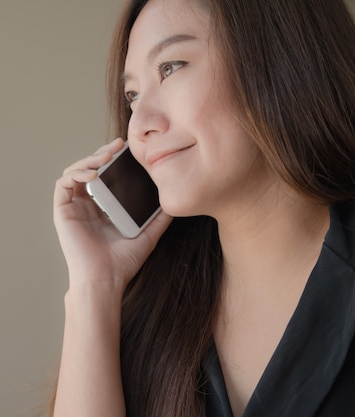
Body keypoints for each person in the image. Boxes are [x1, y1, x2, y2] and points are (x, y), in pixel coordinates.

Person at [51, 0, 355, 416]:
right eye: (132, 95)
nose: (139, 125)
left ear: (280, 56)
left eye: (171, 67)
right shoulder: (150, 317)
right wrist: (94, 287)